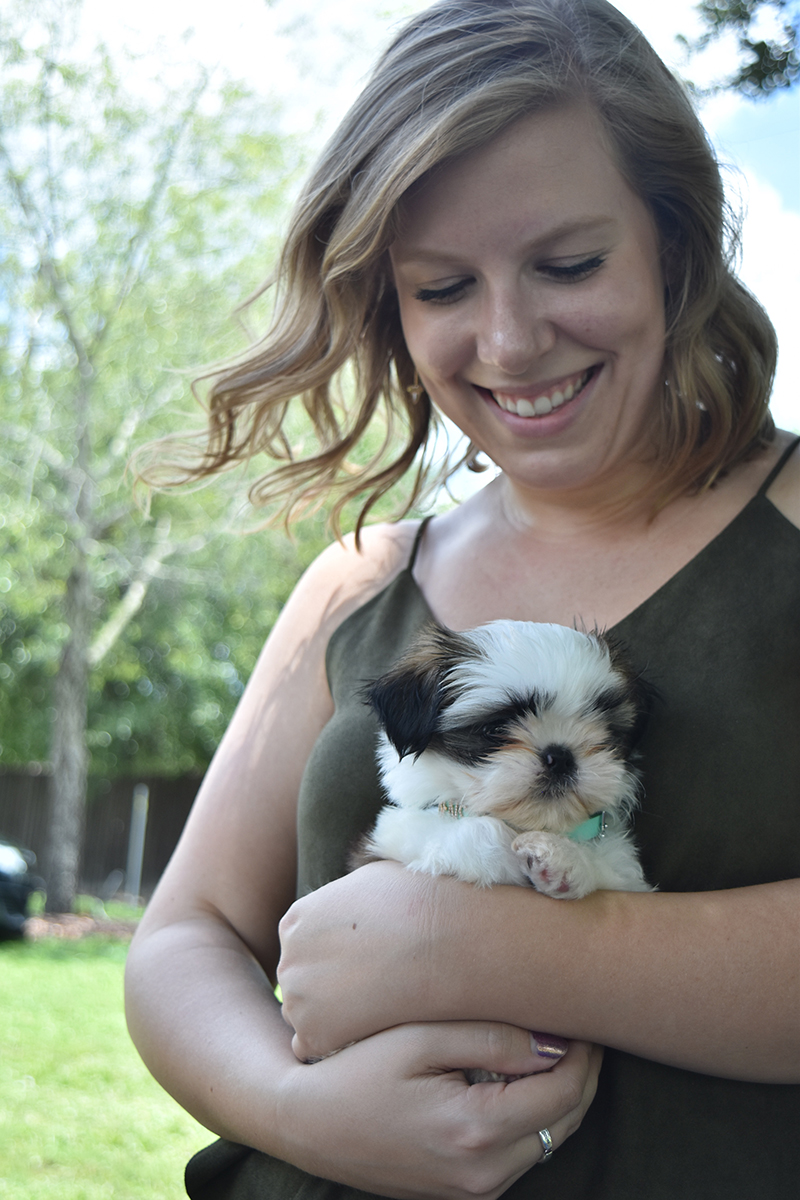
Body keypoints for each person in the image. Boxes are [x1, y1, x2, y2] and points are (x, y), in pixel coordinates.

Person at [124, 1, 800, 1197]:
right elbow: (185, 939)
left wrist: (493, 942)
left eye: (567, 263)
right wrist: (298, 1109)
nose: (509, 337)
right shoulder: (360, 577)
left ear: (674, 244)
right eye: (440, 287)